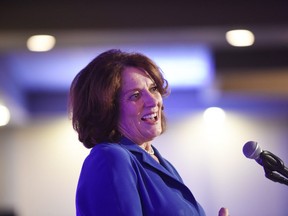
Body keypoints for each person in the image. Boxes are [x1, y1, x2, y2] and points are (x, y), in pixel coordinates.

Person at [69, 49, 229, 216]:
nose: (153, 101)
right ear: (108, 109)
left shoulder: (162, 164)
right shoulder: (110, 158)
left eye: (153, 89)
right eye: (135, 96)